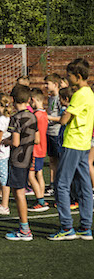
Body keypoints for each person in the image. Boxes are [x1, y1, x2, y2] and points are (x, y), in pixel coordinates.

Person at [49, 58, 94, 241]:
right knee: (84, 185)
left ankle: (67, 227)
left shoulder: (80, 94)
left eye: (69, 76)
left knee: (61, 184)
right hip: (84, 142)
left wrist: (58, 115)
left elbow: (64, 120)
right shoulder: (89, 93)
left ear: (78, 76)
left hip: (73, 142)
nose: (67, 79)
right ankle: (85, 226)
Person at [0, 85, 39, 241]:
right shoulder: (32, 116)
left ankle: (24, 229)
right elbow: (36, 139)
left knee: (19, 193)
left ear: (13, 100)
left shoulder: (16, 118)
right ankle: (24, 227)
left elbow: (15, 142)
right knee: (19, 191)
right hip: (28, 157)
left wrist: (5, 141)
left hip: (18, 159)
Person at [29, 89, 49, 212]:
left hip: (35, 149)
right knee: (39, 173)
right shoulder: (44, 113)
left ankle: (40, 201)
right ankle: (41, 198)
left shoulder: (35, 116)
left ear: (33, 100)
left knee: (30, 175)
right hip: (42, 148)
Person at [45, 73, 64, 186]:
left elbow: (63, 118)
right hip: (49, 132)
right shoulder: (50, 98)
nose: (45, 86)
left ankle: (60, 182)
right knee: (52, 159)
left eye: (47, 83)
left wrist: (49, 118)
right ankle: (52, 183)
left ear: (55, 84)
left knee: (60, 159)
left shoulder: (60, 98)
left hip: (57, 132)